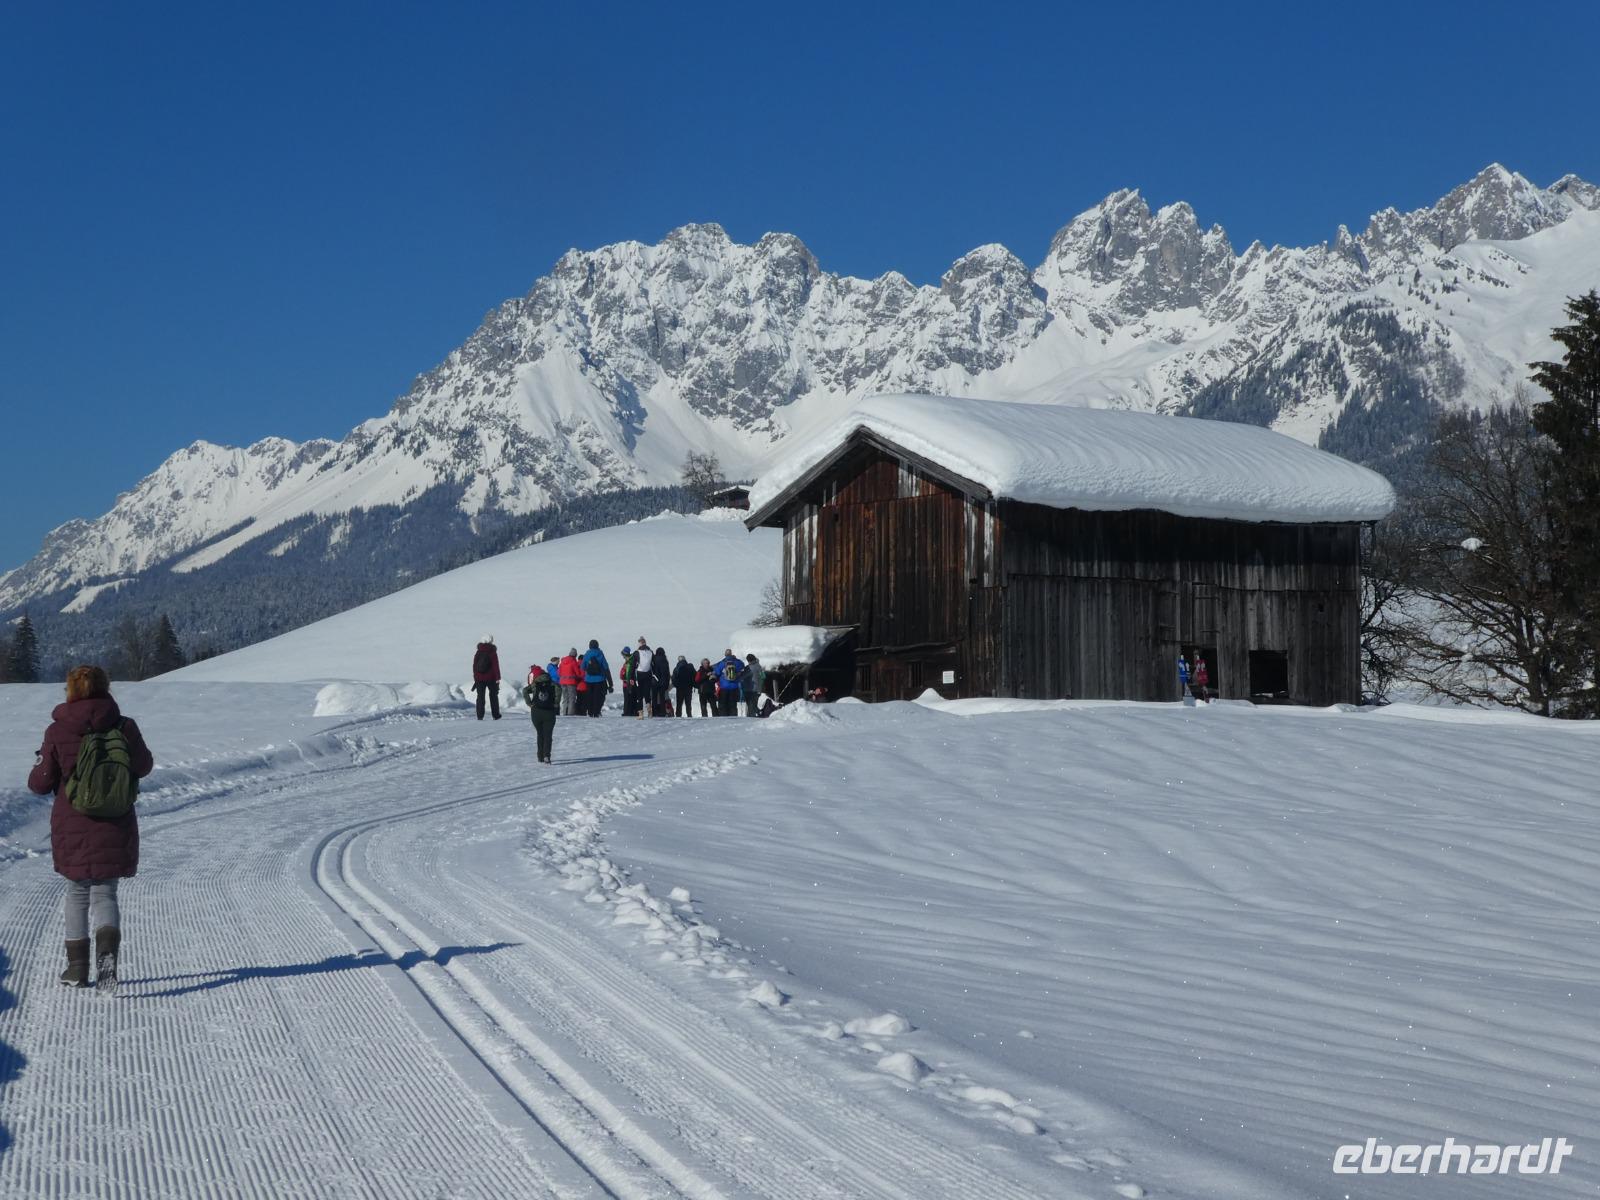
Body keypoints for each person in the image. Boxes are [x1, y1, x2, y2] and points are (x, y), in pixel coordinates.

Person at [28, 664, 154, 989]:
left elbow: (40, 784)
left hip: (72, 822)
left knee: (76, 891)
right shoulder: (125, 726)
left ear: (70, 689)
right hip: (115, 819)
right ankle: (107, 959)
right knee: (105, 892)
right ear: (106, 687)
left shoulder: (57, 731)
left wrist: (42, 760)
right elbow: (143, 766)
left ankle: (77, 968)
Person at [522, 666, 560, 763]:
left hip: (536, 712)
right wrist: (556, 703)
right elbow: (559, 690)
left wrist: (529, 703)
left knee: (540, 734)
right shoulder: (553, 684)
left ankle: (540, 756)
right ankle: (546, 755)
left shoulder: (535, 684)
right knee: (548, 735)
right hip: (549, 712)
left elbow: (525, 690)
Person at [472, 635, 502, 720]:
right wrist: (497, 678)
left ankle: (480, 716)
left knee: (480, 697)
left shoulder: (478, 652)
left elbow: (474, 665)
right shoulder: (492, 651)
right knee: (493, 697)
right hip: (491, 678)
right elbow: (496, 666)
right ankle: (496, 715)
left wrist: (476, 677)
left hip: (479, 679)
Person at [581, 640, 612, 717]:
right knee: (598, 696)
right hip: (599, 679)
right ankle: (596, 712)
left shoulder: (587, 654)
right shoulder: (600, 654)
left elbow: (582, 667)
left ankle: (590, 712)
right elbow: (606, 667)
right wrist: (610, 683)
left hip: (588, 679)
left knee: (589, 696)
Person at [713, 649, 744, 717]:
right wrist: (736, 659)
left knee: (723, 704)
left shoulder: (722, 663)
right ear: (731, 654)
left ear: (725, 655)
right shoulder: (736, 662)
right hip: (734, 687)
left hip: (724, 687)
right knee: (733, 704)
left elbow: (717, 672)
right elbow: (742, 665)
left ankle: (723, 716)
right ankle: (733, 716)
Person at [557, 648, 583, 716]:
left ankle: (564, 713)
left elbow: (559, 673)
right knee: (572, 698)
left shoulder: (562, 662)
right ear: (575, 655)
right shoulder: (573, 662)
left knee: (565, 698)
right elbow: (578, 674)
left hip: (562, 682)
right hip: (571, 683)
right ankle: (570, 714)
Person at [634, 639, 656, 718]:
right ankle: (649, 711)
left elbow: (633, 665)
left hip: (639, 674)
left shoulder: (637, 653)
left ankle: (641, 714)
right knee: (647, 694)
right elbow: (654, 664)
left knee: (639, 695)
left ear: (640, 644)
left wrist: (631, 678)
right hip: (648, 674)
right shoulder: (650, 652)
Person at [651, 646, 671, 717]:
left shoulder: (654, 659)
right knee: (662, 698)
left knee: (654, 697)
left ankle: (654, 712)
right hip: (663, 682)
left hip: (654, 681)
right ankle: (663, 712)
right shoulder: (665, 660)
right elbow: (667, 673)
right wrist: (667, 682)